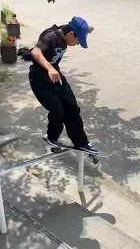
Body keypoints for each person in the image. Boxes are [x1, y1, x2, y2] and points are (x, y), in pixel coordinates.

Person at [26, 16, 100, 155]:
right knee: (58, 110)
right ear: (71, 34)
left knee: (71, 106)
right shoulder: (50, 37)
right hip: (39, 80)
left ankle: (81, 142)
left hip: (55, 76)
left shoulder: (67, 30)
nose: (78, 44)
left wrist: (87, 29)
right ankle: (51, 138)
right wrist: (50, 68)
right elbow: (35, 52)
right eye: (78, 40)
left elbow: (75, 24)